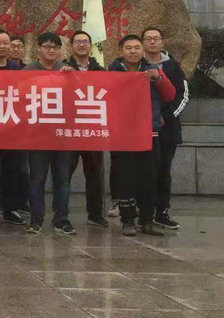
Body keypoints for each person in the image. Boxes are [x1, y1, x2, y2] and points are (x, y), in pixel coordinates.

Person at [109, 34, 176, 236]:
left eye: (137, 47)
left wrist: (159, 79)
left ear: (142, 50)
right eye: (128, 48)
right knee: (125, 179)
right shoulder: (112, 72)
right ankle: (128, 220)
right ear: (121, 51)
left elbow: (170, 95)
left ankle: (147, 221)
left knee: (149, 178)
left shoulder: (153, 70)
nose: (133, 51)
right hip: (123, 135)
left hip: (149, 133)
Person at [23, 32, 76, 236]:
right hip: (37, 136)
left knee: (63, 179)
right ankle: (36, 219)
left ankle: (61, 219)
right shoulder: (28, 71)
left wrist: (73, 77)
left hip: (62, 135)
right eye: (47, 46)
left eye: (55, 47)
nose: (51, 50)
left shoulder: (66, 70)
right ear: (38, 48)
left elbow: (79, 96)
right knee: (37, 179)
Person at [142, 27, 188, 230]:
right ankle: (143, 213)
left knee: (163, 171)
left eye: (156, 38)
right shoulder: (137, 65)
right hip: (141, 129)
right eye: (148, 39)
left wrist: (165, 117)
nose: (152, 42)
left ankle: (161, 212)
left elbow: (183, 96)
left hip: (167, 129)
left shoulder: (173, 66)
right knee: (143, 171)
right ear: (143, 42)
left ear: (162, 42)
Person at [64, 30, 109, 228]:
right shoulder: (63, 68)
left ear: (90, 46)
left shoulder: (100, 71)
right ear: (71, 45)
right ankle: (61, 215)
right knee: (64, 174)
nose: (81, 45)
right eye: (78, 42)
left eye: (85, 42)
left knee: (94, 174)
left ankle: (95, 214)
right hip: (69, 131)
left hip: (92, 129)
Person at [0, 29, 27, 226]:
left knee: (12, 171)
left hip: (11, 128)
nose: (2, 46)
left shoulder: (17, 69)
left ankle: (10, 208)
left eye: (5, 43)